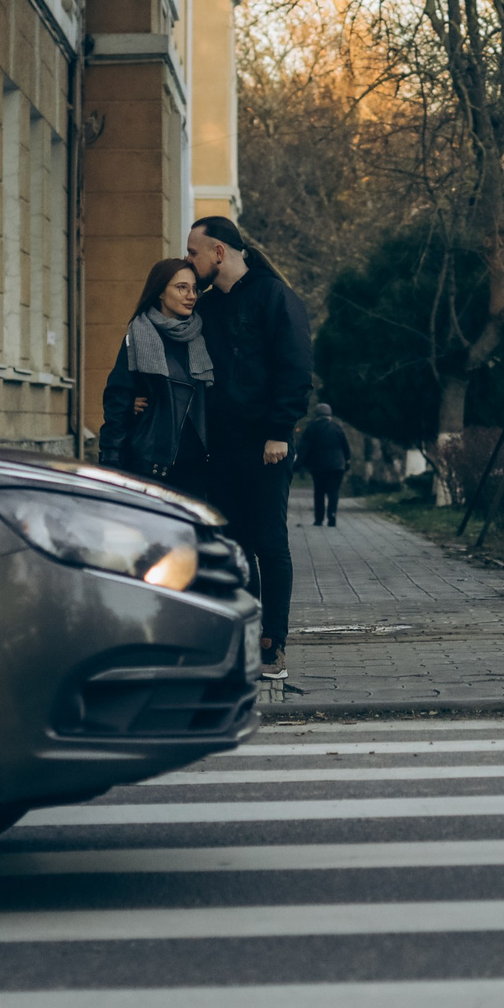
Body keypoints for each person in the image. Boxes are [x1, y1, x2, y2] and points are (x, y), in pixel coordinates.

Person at [184, 215, 312, 682]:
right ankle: (246, 639)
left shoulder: (274, 296)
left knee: (269, 544)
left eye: (194, 251)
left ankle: (274, 646)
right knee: (234, 547)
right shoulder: (209, 306)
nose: (189, 260)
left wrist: (279, 430)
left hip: (266, 447)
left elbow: (295, 367)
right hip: (221, 448)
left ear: (219, 252)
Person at [98, 258, 213, 485]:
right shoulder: (139, 334)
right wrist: (110, 458)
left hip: (198, 465)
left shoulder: (204, 334)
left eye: (194, 289)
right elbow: (117, 400)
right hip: (150, 464)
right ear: (160, 291)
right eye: (182, 287)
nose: (191, 295)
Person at [297, 402, 350, 527]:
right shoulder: (337, 427)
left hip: (319, 466)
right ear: (329, 415)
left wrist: (298, 464)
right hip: (337, 465)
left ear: (317, 415)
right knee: (334, 491)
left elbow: (304, 447)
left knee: (319, 492)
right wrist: (347, 460)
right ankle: (332, 516)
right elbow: (345, 446)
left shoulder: (312, 428)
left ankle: (319, 519)